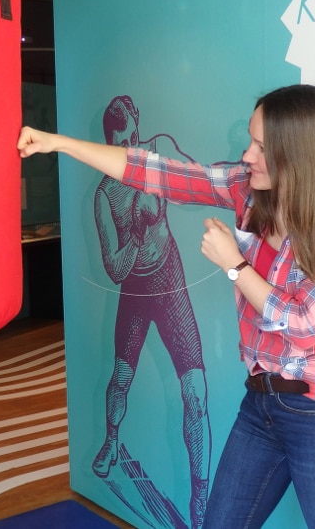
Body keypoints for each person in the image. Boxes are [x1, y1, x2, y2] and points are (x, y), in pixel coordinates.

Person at [18, 84, 315, 528]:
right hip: (262, 405)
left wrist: (235, 265)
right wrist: (58, 143)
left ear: (300, 153)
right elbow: (156, 173)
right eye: (250, 141)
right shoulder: (249, 192)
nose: (247, 155)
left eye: (261, 147)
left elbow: (303, 326)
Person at [92, 95, 211, 528]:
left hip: (170, 281)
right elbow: (114, 269)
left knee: (195, 393)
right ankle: (111, 440)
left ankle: (200, 497)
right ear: (108, 144)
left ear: (139, 127)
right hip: (136, 289)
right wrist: (139, 233)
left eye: (133, 139)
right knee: (121, 378)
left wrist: (172, 175)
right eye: (120, 145)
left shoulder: (156, 152)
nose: (129, 150)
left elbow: (200, 182)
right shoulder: (106, 195)